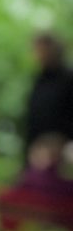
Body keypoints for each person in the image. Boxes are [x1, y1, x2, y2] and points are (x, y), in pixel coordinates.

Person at [24, 33, 73, 165]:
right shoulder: (39, 80)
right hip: (37, 152)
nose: (40, 54)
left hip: (63, 153)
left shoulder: (68, 78)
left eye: (43, 50)